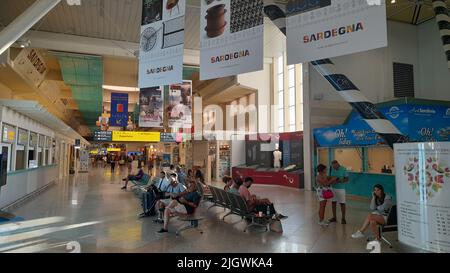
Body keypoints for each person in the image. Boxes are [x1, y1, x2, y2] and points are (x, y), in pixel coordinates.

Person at [329, 160, 349, 224]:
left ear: (337, 164)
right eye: (333, 166)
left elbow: (347, 179)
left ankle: (343, 218)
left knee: (342, 203)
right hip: (333, 188)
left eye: (335, 166)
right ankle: (334, 217)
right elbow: (329, 177)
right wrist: (331, 180)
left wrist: (339, 181)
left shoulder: (343, 169)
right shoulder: (331, 169)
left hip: (341, 189)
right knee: (333, 202)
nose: (334, 168)